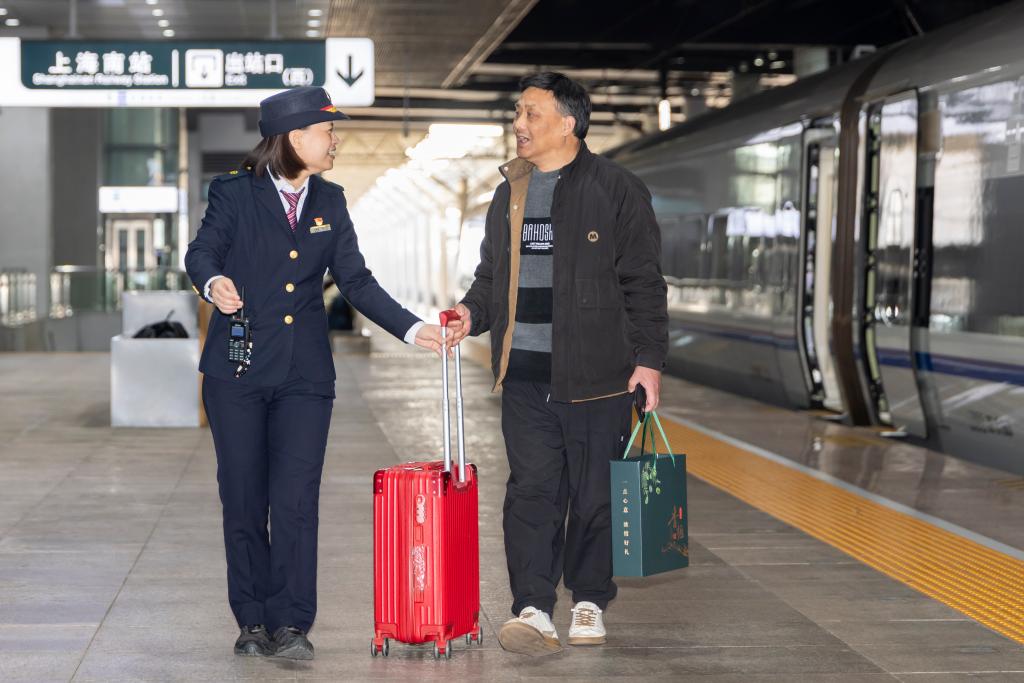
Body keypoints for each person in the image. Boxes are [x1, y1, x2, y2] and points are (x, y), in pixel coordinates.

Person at [185, 86, 458, 660]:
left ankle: (290, 622)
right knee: (243, 498)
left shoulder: (330, 201)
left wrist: (413, 329)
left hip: (305, 376)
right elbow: (201, 251)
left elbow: (355, 280)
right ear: (294, 137)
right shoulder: (234, 193)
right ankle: (251, 620)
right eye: (328, 131)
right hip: (238, 373)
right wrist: (213, 282)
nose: (336, 141)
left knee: (295, 500)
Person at [448, 72, 668, 656]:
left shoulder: (616, 189)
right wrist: (470, 314)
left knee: (595, 496)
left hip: (599, 376)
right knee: (532, 493)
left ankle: (590, 598)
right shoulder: (510, 193)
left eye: (531, 114)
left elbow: (644, 282)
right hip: (524, 375)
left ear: (568, 124)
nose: (518, 124)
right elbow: (492, 277)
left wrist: (649, 361)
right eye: (518, 113)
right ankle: (534, 607)